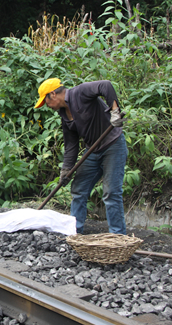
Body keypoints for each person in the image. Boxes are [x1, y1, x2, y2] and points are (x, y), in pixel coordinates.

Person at [34, 78, 127, 235]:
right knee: (78, 189)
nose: (47, 106)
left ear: (53, 94)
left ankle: (118, 236)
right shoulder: (64, 115)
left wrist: (114, 111)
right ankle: (75, 232)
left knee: (111, 192)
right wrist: (66, 170)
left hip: (113, 145)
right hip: (93, 150)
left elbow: (105, 85)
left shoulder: (80, 92)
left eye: (46, 101)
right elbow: (71, 145)